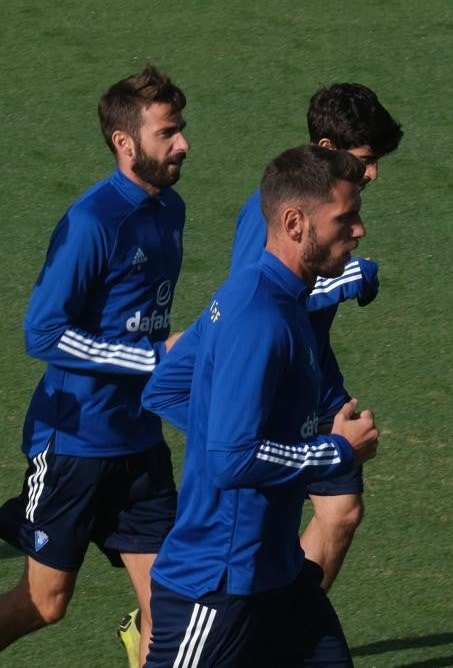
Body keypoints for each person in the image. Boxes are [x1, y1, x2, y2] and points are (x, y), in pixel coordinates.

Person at [0, 63, 189, 668]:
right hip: (75, 441)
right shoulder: (91, 222)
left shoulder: (169, 210)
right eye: (167, 133)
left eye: (181, 128)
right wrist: (152, 358)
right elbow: (43, 332)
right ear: (125, 143)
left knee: (173, 602)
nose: (182, 143)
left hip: (140, 439)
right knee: (46, 603)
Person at [142, 82, 402, 587]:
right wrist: (348, 281)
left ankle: (286, 614)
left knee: (340, 514)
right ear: (327, 150)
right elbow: (258, 307)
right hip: (284, 396)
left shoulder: (328, 206)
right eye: (366, 158)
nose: (372, 173)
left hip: (312, 383)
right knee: (322, 512)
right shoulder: (274, 216)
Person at [144, 145, 380, 667]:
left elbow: (165, 387)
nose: (359, 229)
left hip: (278, 574)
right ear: (295, 222)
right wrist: (334, 451)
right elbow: (231, 460)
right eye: (346, 216)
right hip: (219, 586)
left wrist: (241, 429)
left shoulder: (263, 292)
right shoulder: (260, 319)